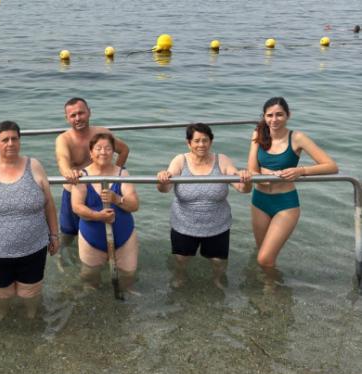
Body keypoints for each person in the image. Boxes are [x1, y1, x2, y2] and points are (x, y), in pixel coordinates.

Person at [0, 121, 59, 320]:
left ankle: (31, 318)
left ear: (20, 141)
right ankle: (2, 319)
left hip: (33, 246)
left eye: (14, 139)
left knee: (30, 293)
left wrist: (54, 235)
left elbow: (48, 203)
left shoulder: (34, 165)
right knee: (1, 294)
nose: (10, 143)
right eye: (4, 139)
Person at [157, 123, 252, 288]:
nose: (201, 145)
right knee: (181, 259)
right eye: (197, 141)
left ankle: (217, 280)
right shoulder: (180, 160)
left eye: (205, 140)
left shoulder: (221, 160)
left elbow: (242, 189)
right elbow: (164, 189)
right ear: (189, 143)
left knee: (218, 262)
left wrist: (245, 178)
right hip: (184, 223)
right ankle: (180, 276)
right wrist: (163, 178)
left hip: (217, 224)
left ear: (211, 142)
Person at [247, 97, 338, 271]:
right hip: (259, 201)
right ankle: (267, 290)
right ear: (264, 117)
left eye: (279, 115)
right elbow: (252, 169)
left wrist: (301, 170)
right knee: (264, 255)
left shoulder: (297, 137)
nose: (274, 120)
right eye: (270, 115)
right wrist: (260, 176)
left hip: (286, 204)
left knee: (264, 259)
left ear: (288, 115)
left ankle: (273, 294)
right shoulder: (257, 134)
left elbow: (331, 166)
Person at [70, 133, 139, 291]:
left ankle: (122, 301)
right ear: (91, 152)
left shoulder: (122, 174)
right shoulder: (82, 176)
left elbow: (134, 205)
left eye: (108, 148)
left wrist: (117, 199)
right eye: (98, 148)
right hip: (91, 237)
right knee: (90, 276)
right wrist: (98, 216)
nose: (103, 152)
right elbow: (77, 206)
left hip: (124, 235)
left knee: (128, 276)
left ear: (113, 152)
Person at [55, 97, 129, 241]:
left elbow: (124, 150)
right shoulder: (64, 139)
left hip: (98, 192)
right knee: (68, 235)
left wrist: (116, 177)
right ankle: (65, 263)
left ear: (89, 112)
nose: (77, 118)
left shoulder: (102, 134)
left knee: (103, 232)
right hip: (73, 192)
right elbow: (62, 159)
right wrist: (68, 172)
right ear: (67, 118)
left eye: (81, 113)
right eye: (73, 115)